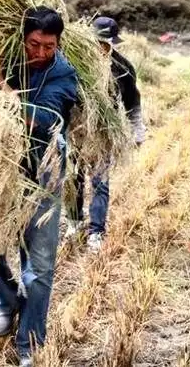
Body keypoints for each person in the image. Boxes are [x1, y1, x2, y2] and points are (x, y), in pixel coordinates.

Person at [0, 6, 79, 367]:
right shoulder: (4, 58)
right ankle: (8, 299)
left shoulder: (64, 75)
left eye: (49, 46)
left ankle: (30, 345)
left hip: (43, 174)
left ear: (59, 43)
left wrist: (1, 87)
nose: (40, 53)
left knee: (39, 268)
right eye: (33, 44)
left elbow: (40, 121)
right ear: (21, 39)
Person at [66, 16, 145, 252]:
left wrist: (137, 131)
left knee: (100, 181)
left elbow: (133, 103)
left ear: (112, 44)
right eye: (97, 43)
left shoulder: (123, 69)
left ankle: (96, 232)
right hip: (77, 131)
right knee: (73, 178)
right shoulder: (76, 65)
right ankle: (74, 221)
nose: (100, 48)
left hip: (104, 134)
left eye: (105, 44)